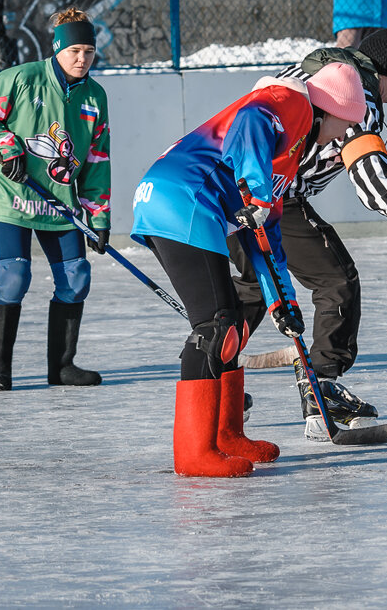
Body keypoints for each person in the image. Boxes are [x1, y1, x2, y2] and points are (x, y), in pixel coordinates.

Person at [130, 62, 367, 478]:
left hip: (189, 203)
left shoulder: (291, 153)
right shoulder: (291, 102)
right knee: (215, 327)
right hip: (183, 197)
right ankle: (194, 452)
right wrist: (257, 193)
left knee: (233, 323)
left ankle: (226, 436)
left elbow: (267, 235)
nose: (342, 139)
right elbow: (251, 119)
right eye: (346, 126)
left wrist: (282, 302)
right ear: (331, 112)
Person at [229, 28, 387, 442]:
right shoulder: (354, 93)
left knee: (254, 290)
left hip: (229, 187)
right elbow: (367, 165)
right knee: (336, 280)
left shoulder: (315, 68)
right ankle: (323, 388)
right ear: (384, 72)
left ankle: (216, 378)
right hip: (272, 197)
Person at [0, 7, 110, 391]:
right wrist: (5, 146)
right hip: (12, 195)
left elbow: (96, 158)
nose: (82, 59)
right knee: (14, 276)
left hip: (58, 202)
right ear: (57, 48)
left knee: (76, 278)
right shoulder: (19, 79)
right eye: (75, 50)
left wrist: (99, 217)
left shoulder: (95, 97)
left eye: (89, 52)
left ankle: (62, 367)